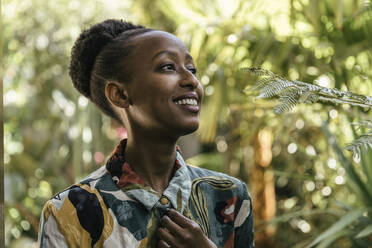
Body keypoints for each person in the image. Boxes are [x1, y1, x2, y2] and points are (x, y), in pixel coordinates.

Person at [37, 19, 254, 248]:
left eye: (191, 69)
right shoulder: (70, 210)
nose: (192, 80)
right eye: (167, 67)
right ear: (119, 94)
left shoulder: (230, 196)